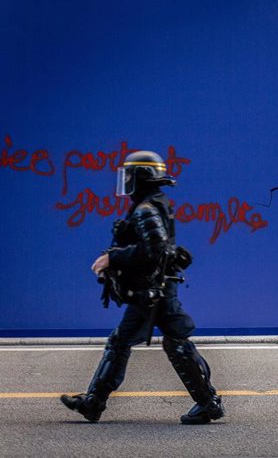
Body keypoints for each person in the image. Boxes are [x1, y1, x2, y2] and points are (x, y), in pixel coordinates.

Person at [60, 151, 224, 424]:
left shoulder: (146, 208)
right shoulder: (153, 203)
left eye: (129, 175)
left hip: (154, 291)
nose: (125, 182)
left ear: (141, 177)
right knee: (130, 342)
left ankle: (209, 403)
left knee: (172, 343)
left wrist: (114, 257)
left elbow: (155, 249)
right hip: (153, 289)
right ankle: (94, 402)